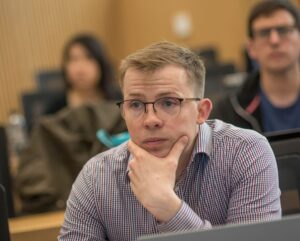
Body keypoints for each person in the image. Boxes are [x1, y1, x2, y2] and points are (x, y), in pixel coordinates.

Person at [58, 41, 281, 241]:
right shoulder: (96, 177)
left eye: (168, 103)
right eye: (135, 105)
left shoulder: (246, 153)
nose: (151, 120)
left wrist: (169, 208)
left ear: (201, 111)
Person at [15, 34, 126, 214]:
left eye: (88, 58)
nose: (80, 67)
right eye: (73, 59)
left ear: (101, 63)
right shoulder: (53, 108)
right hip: (65, 196)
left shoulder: (120, 101)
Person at [211, 0, 300, 133]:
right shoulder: (228, 113)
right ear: (251, 48)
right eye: (264, 33)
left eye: (283, 30)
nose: (274, 40)